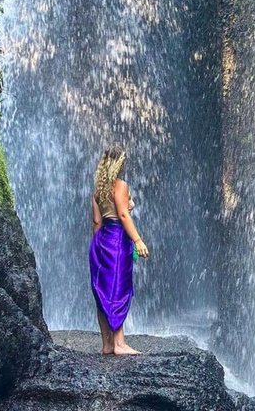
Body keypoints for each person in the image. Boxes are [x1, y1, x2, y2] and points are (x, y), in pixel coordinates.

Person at [89, 146, 150, 355]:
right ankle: (119, 344)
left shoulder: (98, 190)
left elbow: (96, 222)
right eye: (123, 161)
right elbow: (124, 215)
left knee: (102, 292)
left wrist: (96, 247)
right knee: (118, 289)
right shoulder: (120, 186)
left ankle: (106, 344)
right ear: (118, 164)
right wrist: (138, 240)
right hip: (117, 241)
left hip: (101, 242)